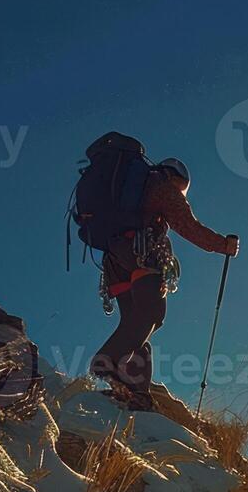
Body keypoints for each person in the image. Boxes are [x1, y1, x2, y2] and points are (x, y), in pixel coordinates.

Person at [88, 156, 240, 409]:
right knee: (151, 315)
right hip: (143, 253)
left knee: (135, 323)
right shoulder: (161, 185)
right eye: (182, 188)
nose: (181, 194)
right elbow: (187, 225)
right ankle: (105, 364)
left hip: (116, 260)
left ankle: (137, 391)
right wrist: (223, 245)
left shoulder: (131, 191)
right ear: (176, 177)